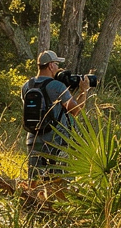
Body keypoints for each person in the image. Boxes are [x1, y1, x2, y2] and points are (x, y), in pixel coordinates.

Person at [21, 50, 94, 178]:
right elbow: (74, 110)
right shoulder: (57, 86)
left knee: (34, 181)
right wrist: (84, 91)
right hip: (56, 141)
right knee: (60, 183)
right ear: (50, 66)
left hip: (33, 140)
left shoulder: (27, 86)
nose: (58, 67)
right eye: (56, 63)